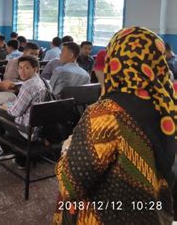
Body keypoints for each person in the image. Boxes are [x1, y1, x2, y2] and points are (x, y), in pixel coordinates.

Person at [54, 27, 176, 224]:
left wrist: (68, 148)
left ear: (115, 62)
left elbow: (71, 184)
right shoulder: (168, 106)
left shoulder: (107, 113)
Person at [0, 55, 50, 167]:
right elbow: (22, 105)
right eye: (20, 68)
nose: (22, 71)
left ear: (35, 69)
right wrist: (10, 105)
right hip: (40, 129)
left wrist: (5, 107)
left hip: (26, 131)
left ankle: (5, 147)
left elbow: (15, 112)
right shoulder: (43, 82)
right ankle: (17, 156)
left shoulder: (28, 85)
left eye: (26, 68)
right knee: (5, 108)